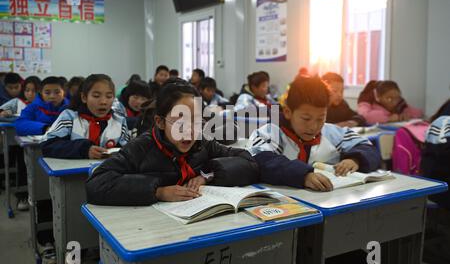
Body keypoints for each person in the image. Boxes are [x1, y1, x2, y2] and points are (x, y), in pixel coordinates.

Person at [86, 82, 260, 206]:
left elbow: (248, 161)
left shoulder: (202, 143)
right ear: (160, 122)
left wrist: (208, 176)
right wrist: (158, 192)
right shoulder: (141, 147)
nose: (190, 131)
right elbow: (96, 184)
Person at [247, 75, 381, 192]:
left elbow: (369, 148)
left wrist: (355, 159)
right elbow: (262, 161)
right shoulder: (270, 134)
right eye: (306, 119)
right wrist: (303, 175)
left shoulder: (332, 133)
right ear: (288, 112)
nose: (313, 127)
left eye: (320, 118)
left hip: (329, 203)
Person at [42, 74, 130, 159]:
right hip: (73, 173)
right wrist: (84, 149)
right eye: (96, 96)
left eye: (109, 96)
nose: (103, 101)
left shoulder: (119, 121)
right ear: (84, 97)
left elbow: (128, 151)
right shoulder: (70, 118)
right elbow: (48, 146)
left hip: (108, 172)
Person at [357, 80, 423, 125]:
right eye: (389, 98)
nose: (394, 102)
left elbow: (418, 112)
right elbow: (364, 116)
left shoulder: (399, 102)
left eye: (397, 98)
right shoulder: (367, 100)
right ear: (378, 97)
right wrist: (389, 118)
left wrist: (406, 114)